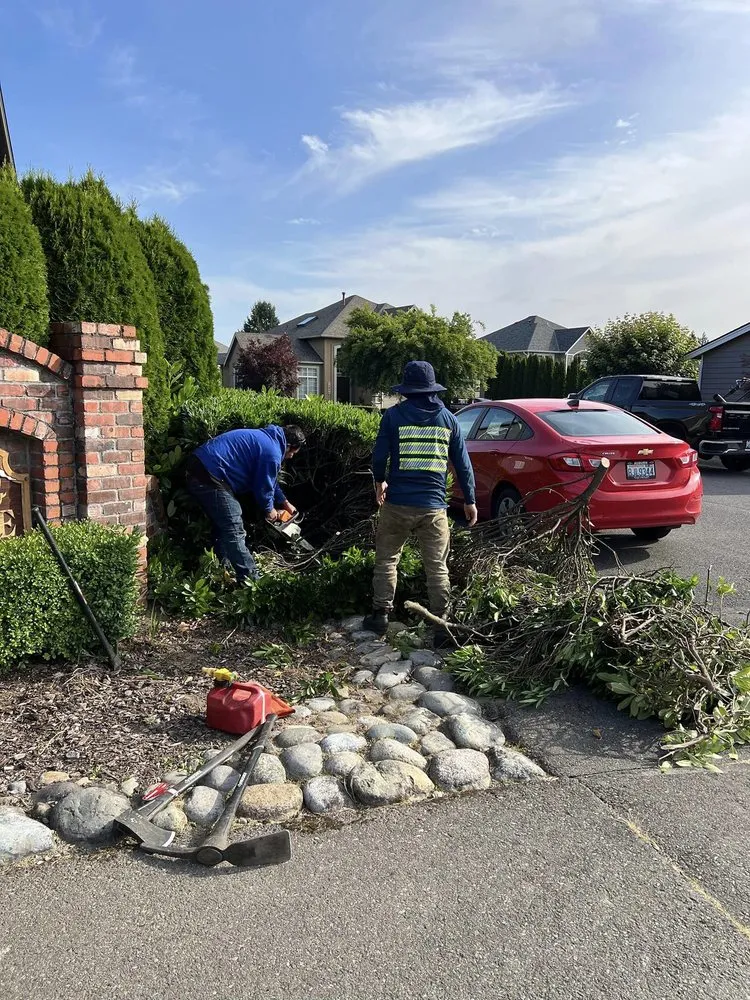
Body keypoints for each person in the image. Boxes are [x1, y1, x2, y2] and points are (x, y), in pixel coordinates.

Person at [363, 361, 478, 648]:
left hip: (398, 504)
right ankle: (441, 626)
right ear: (432, 389)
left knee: (387, 560)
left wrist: (380, 482)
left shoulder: (393, 416)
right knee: (437, 567)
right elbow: (463, 465)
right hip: (434, 508)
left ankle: (380, 616)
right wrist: (470, 501)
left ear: (406, 389)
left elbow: (379, 456)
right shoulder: (449, 420)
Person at [184, 424, 306, 583]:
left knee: (224, 525)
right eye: (293, 453)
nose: (291, 457)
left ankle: (223, 568)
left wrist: (285, 503)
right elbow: (263, 487)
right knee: (234, 526)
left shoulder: (269, 441)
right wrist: (270, 510)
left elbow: (269, 480)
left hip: (202, 468)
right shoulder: (273, 452)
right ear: (289, 446)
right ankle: (252, 583)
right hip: (209, 475)